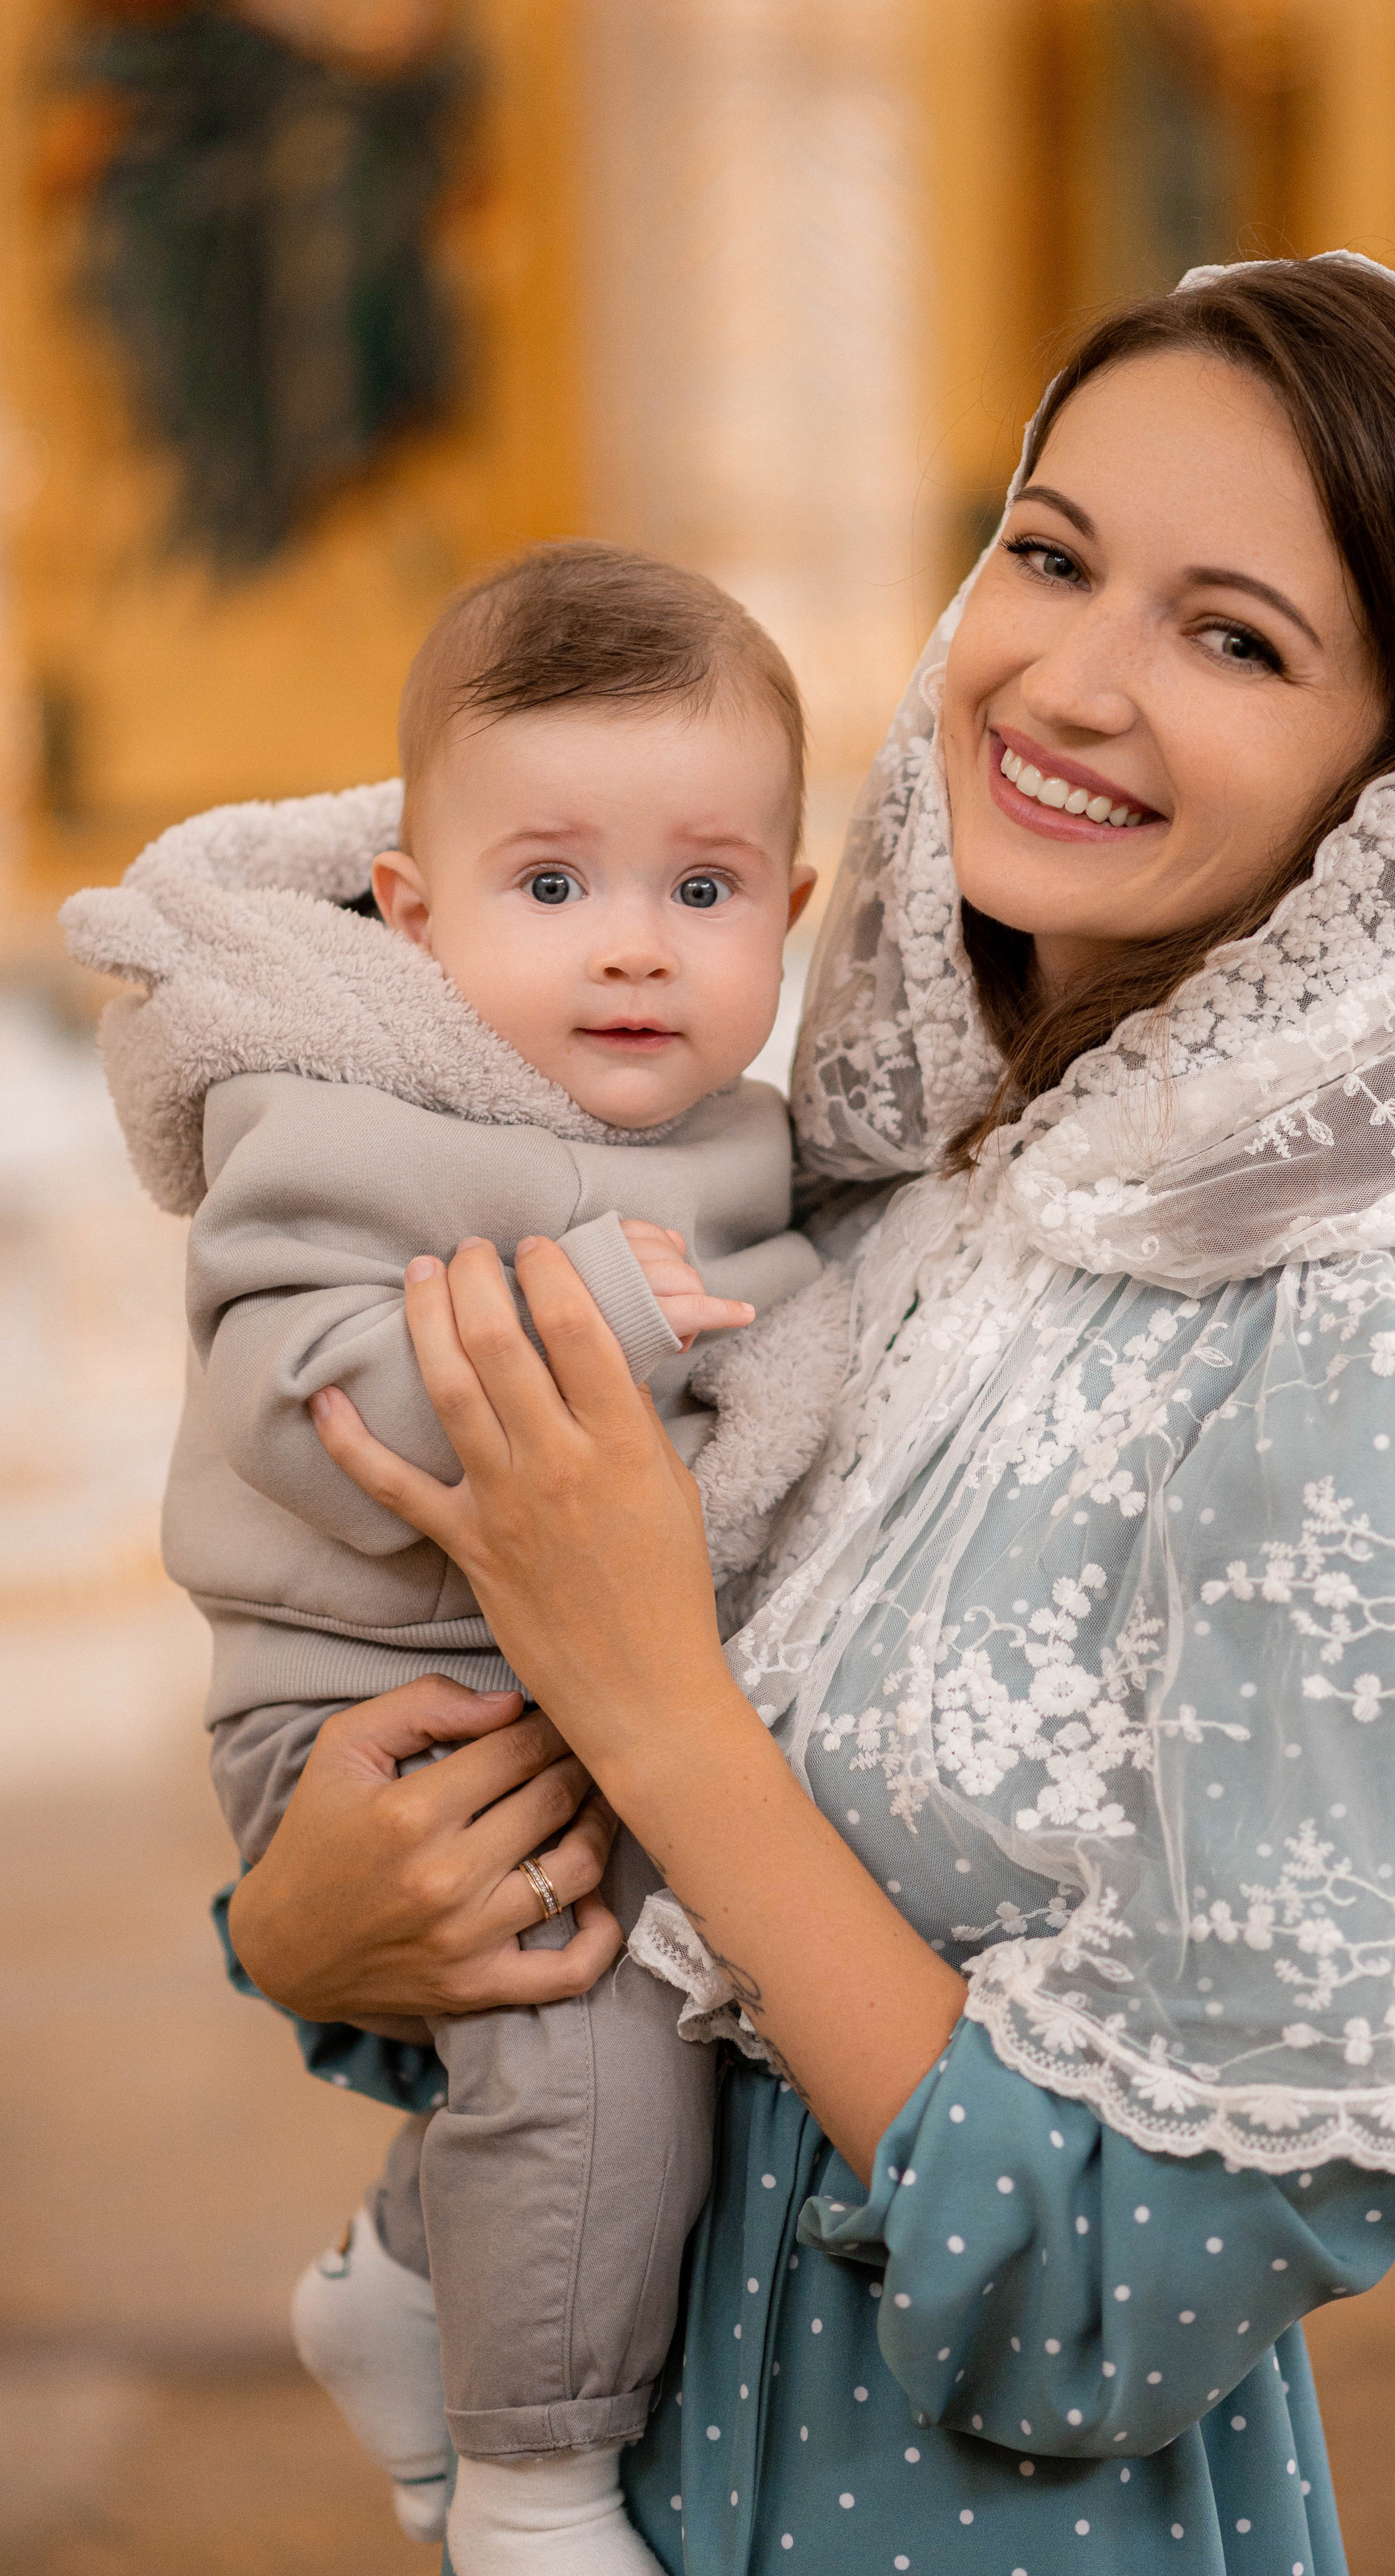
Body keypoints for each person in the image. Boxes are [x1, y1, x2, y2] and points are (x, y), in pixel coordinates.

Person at [228, 257, 1395, 2576]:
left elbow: (1124, 2303)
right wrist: (315, 1935)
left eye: (1236, 639)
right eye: (1050, 552)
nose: (1075, 681)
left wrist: (656, 1704)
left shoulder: (1393, 1327)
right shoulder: (891, 1181)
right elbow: (552, 1931)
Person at [61, 544, 854, 2576]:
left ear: (792, 912)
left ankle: (410, 2277)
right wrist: (588, 1318)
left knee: (696, 2023)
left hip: (583, 1690)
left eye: (702, 891)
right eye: (552, 884)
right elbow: (298, 1402)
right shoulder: (339, 1114)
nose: (634, 950)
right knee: (593, 2040)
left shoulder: (741, 1137)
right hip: (375, 1708)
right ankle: (532, 2484)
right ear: (413, 915)